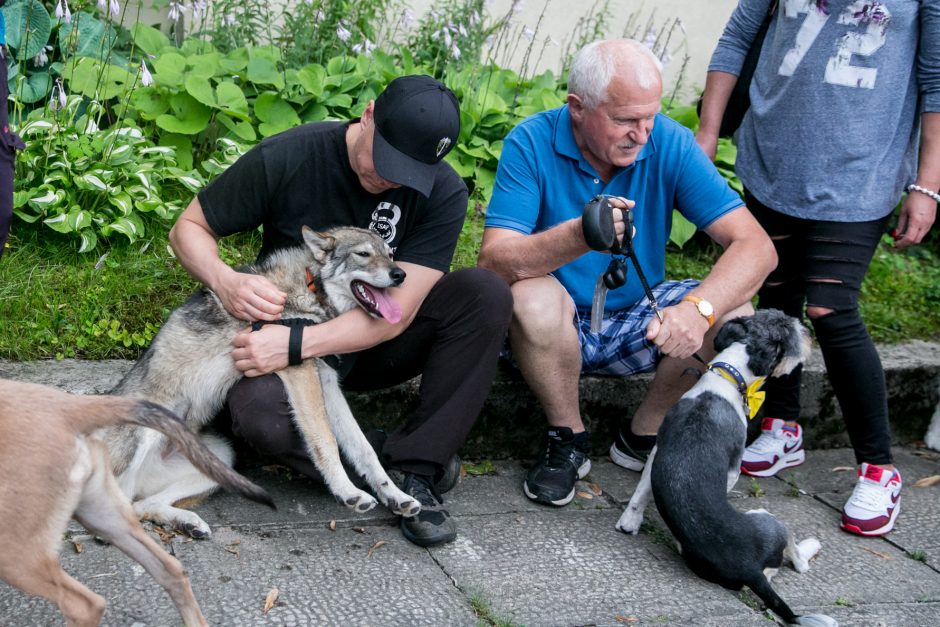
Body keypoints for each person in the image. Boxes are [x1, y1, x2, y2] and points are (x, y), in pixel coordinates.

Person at [168, 74, 512, 547]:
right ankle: (387, 455)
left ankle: (416, 471)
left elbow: (401, 311)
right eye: (386, 159)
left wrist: (294, 344)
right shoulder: (291, 154)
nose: (390, 179)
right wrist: (225, 280)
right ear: (368, 114)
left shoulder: (444, 192)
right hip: (293, 327)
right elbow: (188, 227)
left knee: (485, 293)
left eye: (408, 172)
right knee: (258, 416)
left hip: (379, 340)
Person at [477, 39, 776, 507]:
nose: (642, 133)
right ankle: (568, 439)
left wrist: (698, 310)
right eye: (624, 120)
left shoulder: (670, 142)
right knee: (528, 297)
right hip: (553, 324)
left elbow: (757, 248)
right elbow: (493, 263)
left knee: (735, 308)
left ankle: (643, 434)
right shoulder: (531, 141)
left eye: (649, 117)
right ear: (577, 108)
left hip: (638, 316)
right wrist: (580, 235)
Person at [697, 0, 939, 536]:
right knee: (776, 297)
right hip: (773, 154)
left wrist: (926, 182)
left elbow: (936, 77)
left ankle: (879, 467)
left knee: (830, 308)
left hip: (861, 169)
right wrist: (708, 131)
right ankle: (782, 428)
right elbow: (738, 36)